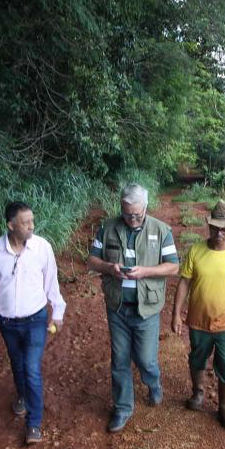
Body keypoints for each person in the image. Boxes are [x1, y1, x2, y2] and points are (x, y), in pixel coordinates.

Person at [87, 184, 180, 433]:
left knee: (146, 359)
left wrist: (146, 272)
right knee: (119, 360)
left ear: (146, 208)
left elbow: (173, 267)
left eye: (137, 214)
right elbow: (92, 260)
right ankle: (122, 408)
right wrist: (109, 268)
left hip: (146, 309)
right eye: (127, 214)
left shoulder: (161, 230)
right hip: (117, 307)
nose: (132, 219)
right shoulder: (108, 227)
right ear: (121, 208)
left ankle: (153, 382)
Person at [0, 201, 66, 445]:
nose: (31, 227)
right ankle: (23, 396)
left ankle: (34, 423)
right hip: (7, 322)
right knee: (17, 363)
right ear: (11, 225)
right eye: (25, 223)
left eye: (32, 221)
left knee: (31, 367)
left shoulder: (42, 248)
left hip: (36, 320)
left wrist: (58, 311)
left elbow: (51, 282)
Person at [172, 200, 225, 431]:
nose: (220, 232)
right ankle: (198, 393)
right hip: (198, 320)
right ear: (209, 227)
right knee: (197, 358)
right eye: (215, 228)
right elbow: (184, 283)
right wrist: (176, 314)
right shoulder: (196, 250)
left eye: (224, 229)